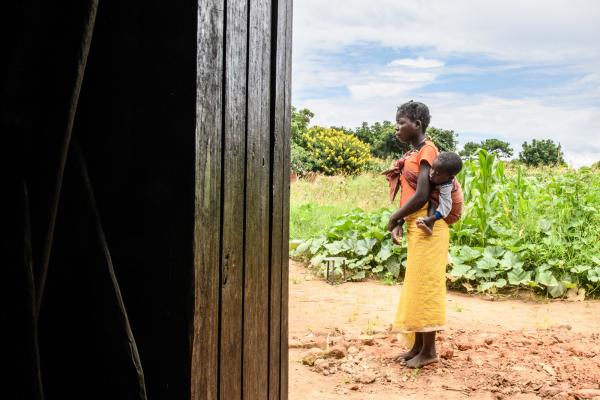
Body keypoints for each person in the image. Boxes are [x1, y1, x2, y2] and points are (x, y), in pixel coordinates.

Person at [385, 100, 449, 369]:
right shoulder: (416, 153)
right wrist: (401, 220)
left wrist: (394, 217)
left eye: (401, 124)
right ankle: (417, 346)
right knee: (417, 285)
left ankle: (430, 350)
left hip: (429, 229)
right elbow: (412, 194)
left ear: (417, 125)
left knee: (426, 286)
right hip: (418, 226)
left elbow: (423, 194)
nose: (397, 128)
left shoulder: (428, 151)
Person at [416, 152, 463, 235]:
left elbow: (445, 208)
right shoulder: (441, 175)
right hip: (446, 209)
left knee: (432, 201)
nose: (432, 173)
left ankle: (429, 227)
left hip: (451, 214)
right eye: (432, 168)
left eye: (437, 174)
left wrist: (430, 219)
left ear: (450, 177)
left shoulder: (447, 187)